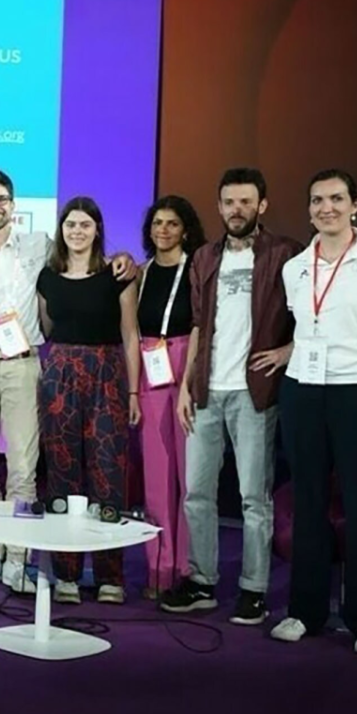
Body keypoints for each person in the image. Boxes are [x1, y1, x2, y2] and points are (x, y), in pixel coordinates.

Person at [0, 169, 136, 593]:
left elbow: (88, 256)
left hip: (23, 363)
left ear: (13, 206)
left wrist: (130, 260)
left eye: (1, 199)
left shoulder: (38, 247)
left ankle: (19, 560)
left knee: (22, 469)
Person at [162, 168, 300, 626]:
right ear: (219, 207)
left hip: (254, 393)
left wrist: (289, 350)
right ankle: (202, 581)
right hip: (206, 390)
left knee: (252, 498)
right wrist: (185, 385)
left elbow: (313, 311)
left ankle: (253, 591)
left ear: (261, 205)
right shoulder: (205, 257)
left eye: (245, 202)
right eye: (228, 202)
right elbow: (200, 324)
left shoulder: (285, 253)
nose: (236, 210)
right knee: (197, 493)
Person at [272, 170, 357, 657]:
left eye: (337, 199)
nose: (327, 208)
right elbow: (304, 326)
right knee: (309, 500)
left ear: (355, 205)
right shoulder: (296, 267)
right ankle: (305, 611)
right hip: (305, 389)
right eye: (318, 200)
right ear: (309, 210)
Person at [37, 196, 142, 604]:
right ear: (61, 231)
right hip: (61, 374)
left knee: (107, 472)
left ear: (97, 229)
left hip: (107, 374)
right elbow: (48, 327)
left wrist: (133, 390)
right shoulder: (47, 277)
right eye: (70, 225)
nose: (76, 231)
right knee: (63, 472)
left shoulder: (118, 275)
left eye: (84, 225)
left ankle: (110, 576)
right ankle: (65, 574)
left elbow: (130, 335)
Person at [135, 195, 207, 598]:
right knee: (156, 479)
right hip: (150, 368)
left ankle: (185, 569)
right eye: (157, 223)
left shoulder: (196, 270)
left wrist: (188, 381)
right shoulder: (141, 274)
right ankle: (157, 569)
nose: (163, 230)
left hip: (185, 368)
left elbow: (200, 326)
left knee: (188, 476)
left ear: (186, 230)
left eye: (172, 224)